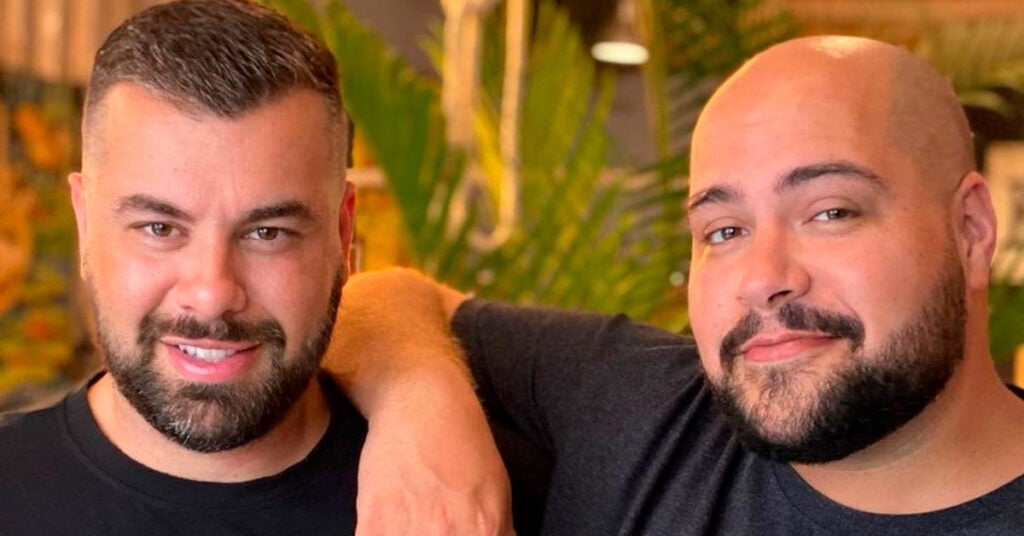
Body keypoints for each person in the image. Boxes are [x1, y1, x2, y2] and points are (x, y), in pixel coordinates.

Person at [332, 35, 1024, 534]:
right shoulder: (640, 409)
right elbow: (382, 298)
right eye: (724, 231)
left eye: (830, 212)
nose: (763, 279)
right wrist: (418, 408)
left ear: (970, 228)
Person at [0, 2, 510, 534]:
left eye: (268, 233)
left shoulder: (473, 504)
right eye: (159, 228)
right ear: (85, 224)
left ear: (342, 234)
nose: (212, 293)